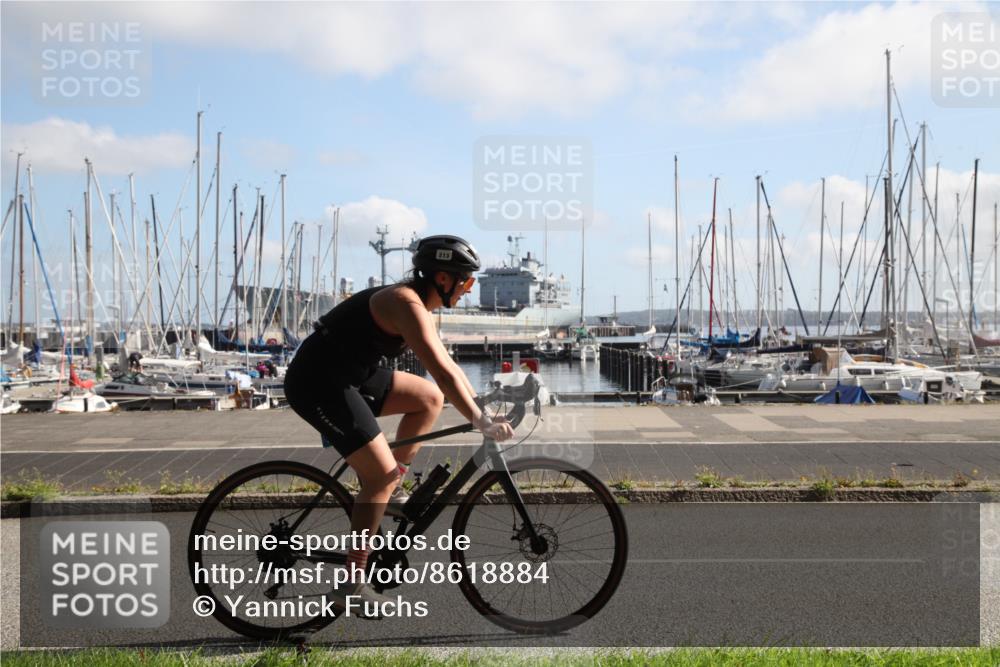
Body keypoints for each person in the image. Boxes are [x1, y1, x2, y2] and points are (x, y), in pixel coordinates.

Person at [282, 235, 514, 618]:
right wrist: (482, 421)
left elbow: (449, 370)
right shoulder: (406, 303)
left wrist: (480, 407)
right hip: (318, 382)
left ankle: (389, 488)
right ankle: (352, 585)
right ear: (443, 278)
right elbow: (442, 371)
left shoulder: (418, 303)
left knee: (427, 399)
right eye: (467, 281)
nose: (469, 290)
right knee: (379, 475)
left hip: (352, 374)